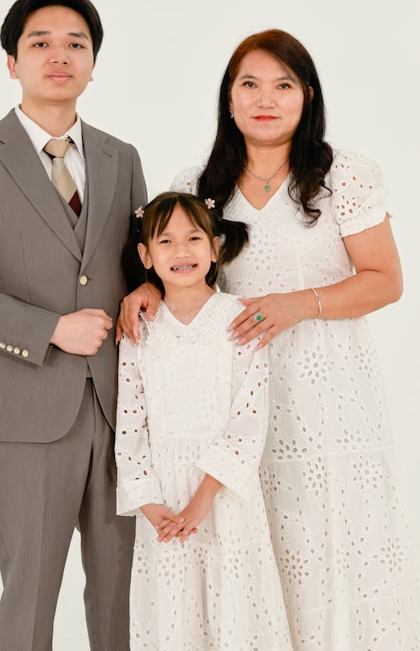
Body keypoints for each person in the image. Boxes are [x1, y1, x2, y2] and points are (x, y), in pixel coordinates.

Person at [120, 30, 420, 649]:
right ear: (228, 99)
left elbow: (386, 281)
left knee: (331, 545)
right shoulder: (199, 183)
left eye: (283, 85)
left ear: (307, 96)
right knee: (249, 554)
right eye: (250, 85)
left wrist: (300, 304)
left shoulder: (344, 176)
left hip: (328, 396)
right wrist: (148, 290)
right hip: (228, 402)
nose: (266, 99)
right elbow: (177, 262)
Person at [0, 0, 146, 651]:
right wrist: (50, 329)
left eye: (76, 43)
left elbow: (142, 268)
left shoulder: (120, 157)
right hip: (28, 415)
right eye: (41, 43)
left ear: (93, 63)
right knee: (30, 596)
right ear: (11, 62)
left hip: (119, 410)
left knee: (122, 595)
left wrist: (148, 294)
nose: (60, 55)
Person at [115, 191, 293, 651]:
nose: (182, 251)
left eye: (194, 238)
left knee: (235, 608)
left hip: (225, 496)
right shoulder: (140, 329)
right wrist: (151, 504)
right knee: (175, 614)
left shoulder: (241, 320)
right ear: (145, 256)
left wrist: (203, 500)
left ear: (215, 248)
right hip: (164, 502)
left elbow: (248, 421)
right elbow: (130, 427)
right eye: (166, 241)